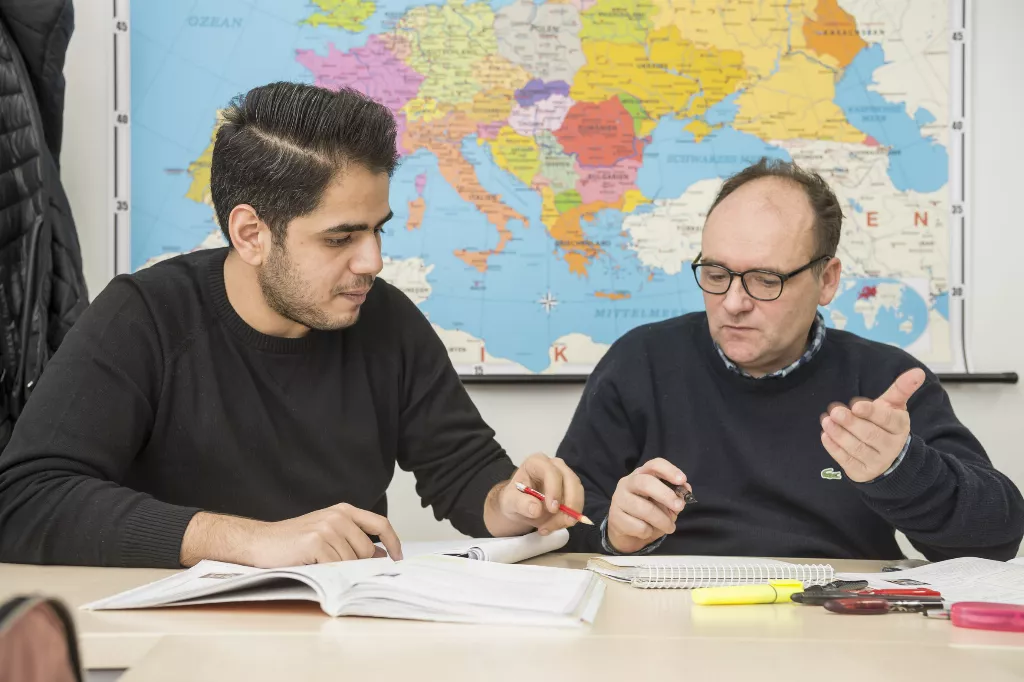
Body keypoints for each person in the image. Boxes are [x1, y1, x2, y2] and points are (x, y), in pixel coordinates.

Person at [0, 82, 584, 568]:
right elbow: (24, 500)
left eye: (377, 229)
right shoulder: (144, 316)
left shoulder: (385, 319)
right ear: (251, 234)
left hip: (339, 637)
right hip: (170, 643)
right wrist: (251, 540)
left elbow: (464, 473)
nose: (372, 262)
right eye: (340, 237)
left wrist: (512, 502)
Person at [559, 158, 1024, 561]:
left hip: (843, 623)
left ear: (827, 280)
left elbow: (996, 539)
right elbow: (558, 523)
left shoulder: (885, 383)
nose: (734, 302)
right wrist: (615, 535)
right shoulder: (641, 360)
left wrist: (900, 470)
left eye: (765, 279)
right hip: (673, 624)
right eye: (717, 273)